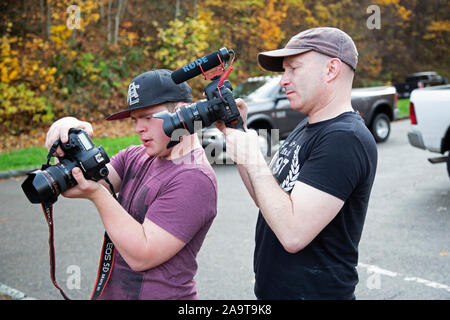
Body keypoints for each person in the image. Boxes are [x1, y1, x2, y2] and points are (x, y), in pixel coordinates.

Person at [217, 27, 378, 299]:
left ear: (331, 70)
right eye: (284, 71)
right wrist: (238, 132)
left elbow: (292, 233)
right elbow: (269, 200)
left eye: (293, 69)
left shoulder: (345, 138)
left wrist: (253, 155)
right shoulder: (308, 126)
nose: (283, 81)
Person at [45, 69, 217, 300]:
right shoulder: (137, 155)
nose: (138, 128)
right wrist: (68, 131)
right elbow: (78, 181)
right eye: (135, 120)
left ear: (183, 112)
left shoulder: (194, 177)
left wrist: (98, 195)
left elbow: (142, 255)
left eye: (148, 117)